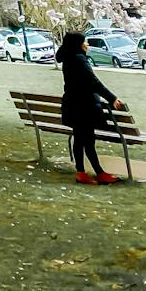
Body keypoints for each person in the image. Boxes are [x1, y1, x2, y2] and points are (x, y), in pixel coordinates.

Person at [56, 31, 124, 184]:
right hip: (84, 105)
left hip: (72, 104)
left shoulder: (67, 58)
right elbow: (93, 82)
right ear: (78, 44)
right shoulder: (79, 59)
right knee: (87, 141)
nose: (87, 45)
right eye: (84, 42)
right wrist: (112, 98)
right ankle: (98, 173)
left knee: (80, 140)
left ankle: (83, 172)